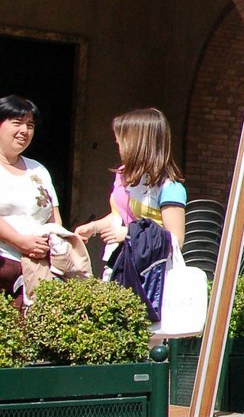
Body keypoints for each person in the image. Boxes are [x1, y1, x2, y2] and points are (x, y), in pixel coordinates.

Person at [76, 108, 188, 261]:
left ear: (137, 144)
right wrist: (94, 227)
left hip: (152, 273)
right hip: (121, 263)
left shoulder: (170, 188)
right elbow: (119, 216)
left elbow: (175, 241)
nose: (119, 148)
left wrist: (130, 234)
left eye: (121, 142)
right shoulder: (123, 175)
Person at [0, 96, 66, 308]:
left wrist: (57, 245)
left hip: (38, 268)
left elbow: (53, 215)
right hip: (4, 262)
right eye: (17, 123)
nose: (24, 131)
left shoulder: (38, 169)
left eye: (30, 125)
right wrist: (19, 241)